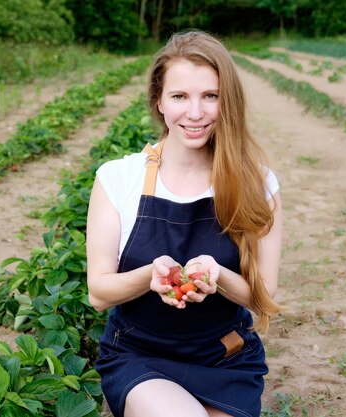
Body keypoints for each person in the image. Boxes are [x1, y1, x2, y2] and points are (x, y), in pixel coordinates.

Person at [86, 30, 283, 417]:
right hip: (140, 356)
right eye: (180, 97)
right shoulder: (118, 178)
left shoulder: (257, 184)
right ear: (159, 101)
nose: (195, 113)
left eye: (210, 96)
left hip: (225, 358)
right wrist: (150, 276)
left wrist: (218, 276)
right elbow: (99, 292)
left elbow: (263, 297)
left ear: (229, 102)